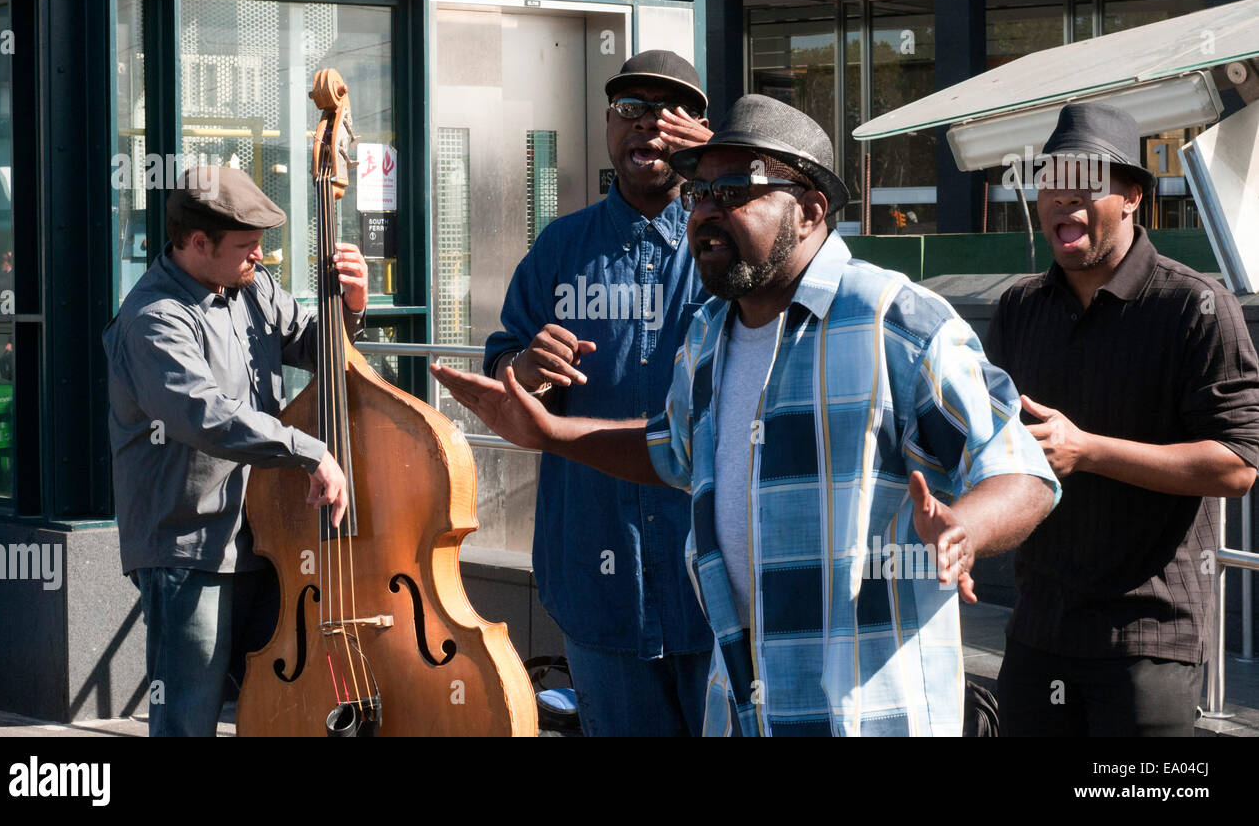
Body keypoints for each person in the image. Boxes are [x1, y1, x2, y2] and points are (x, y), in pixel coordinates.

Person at [438, 94, 1060, 736]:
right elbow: (671, 450)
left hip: (866, 718)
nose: (706, 211)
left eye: (734, 191)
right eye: (698, 194)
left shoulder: (894, 322)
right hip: (740, 710)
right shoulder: (709, 335)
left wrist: (964, 531)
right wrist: (551, 433)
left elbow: (1023, 469)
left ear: (811, 208)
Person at [985, 103, 1259, 737]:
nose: (1063, 201)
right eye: (1050, 183)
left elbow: (1239, 464)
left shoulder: (1195, 304)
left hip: (1148, 639)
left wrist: (1087, 450)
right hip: (1038, 629)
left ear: (1134, 195)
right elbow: (986, 439)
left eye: (1085, 184)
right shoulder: (1020, 308)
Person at [480, 50, 715, 736]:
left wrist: (724, 175)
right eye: (630, 109)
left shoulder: (730, 240)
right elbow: (503, 368)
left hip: (713, 585)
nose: (648, 126)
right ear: (609, 125)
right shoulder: (561, 248)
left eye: (669, 111)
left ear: (699, 128)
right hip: (595, 575)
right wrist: (524, 368)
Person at [102, 166, 367, 737]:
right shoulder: (153, 318)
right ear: (198, 243)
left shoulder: (251, 288)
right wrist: (310, 451)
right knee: (188, 719)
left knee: (281, 708)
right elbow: (205, 415)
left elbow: (312, 345)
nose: (260, 258)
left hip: (261, 537)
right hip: (188, 546)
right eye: (247, 247)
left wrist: (351, 306)